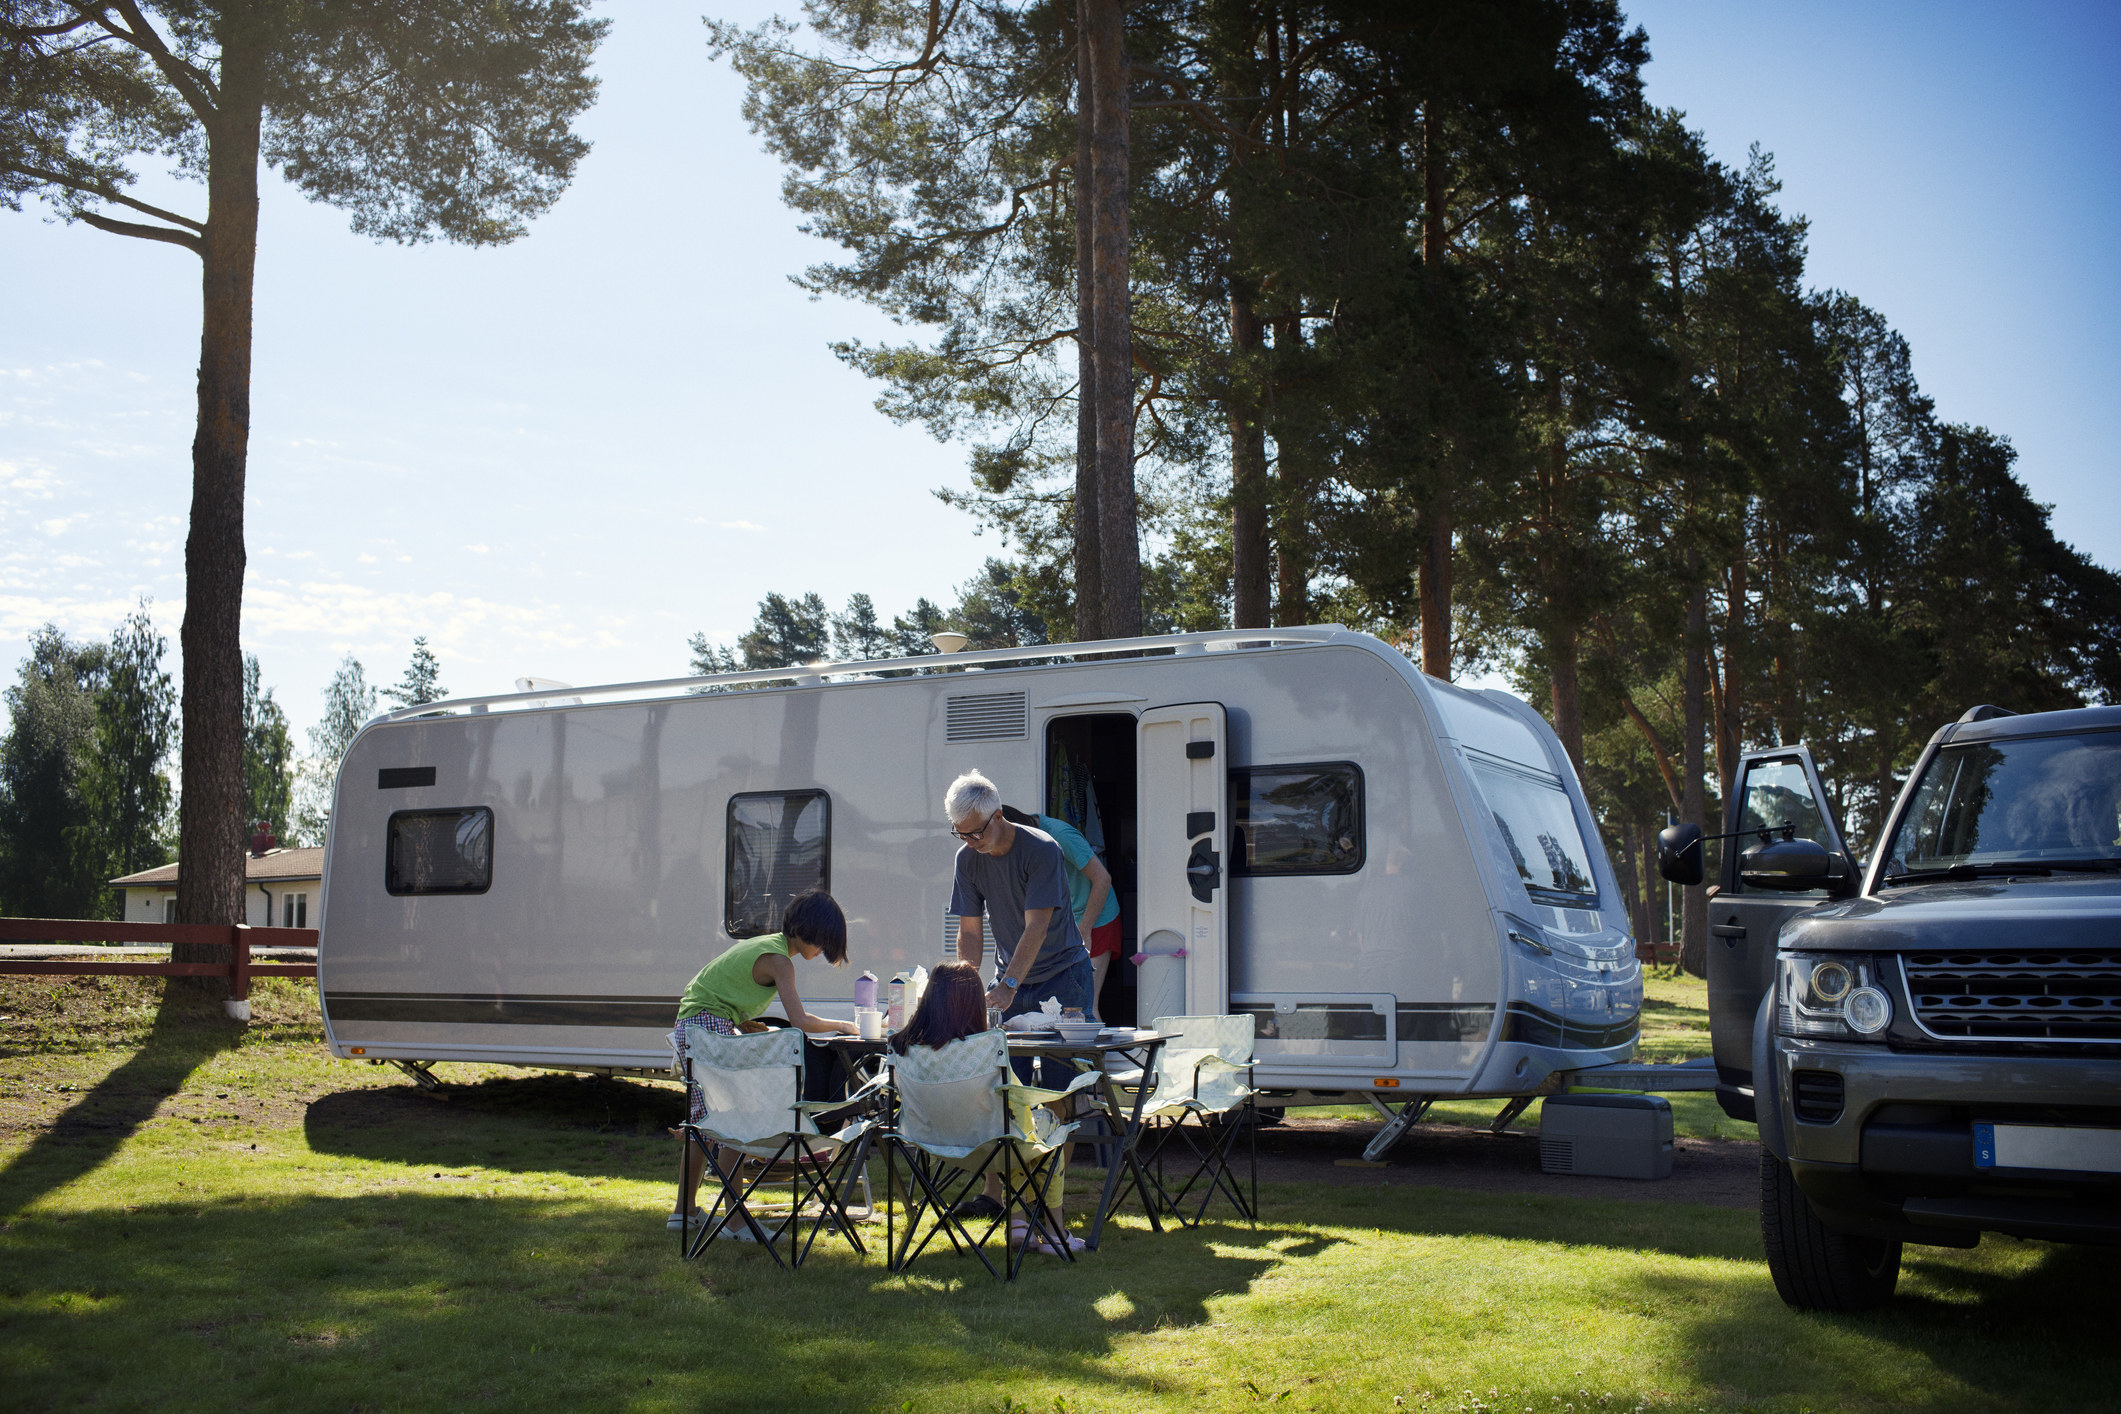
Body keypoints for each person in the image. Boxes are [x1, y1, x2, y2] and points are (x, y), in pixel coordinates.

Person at [669, 890, 857, 1230]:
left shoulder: (766, 945)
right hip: (706, 1025)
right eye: (824, 941)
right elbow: (799, 1021)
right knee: (737, 1119)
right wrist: (844, 1025)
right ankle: (736, 1222)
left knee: (706, 1123)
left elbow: (720, 986)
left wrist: (739, 1020)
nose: (823, 950)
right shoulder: (779, 960)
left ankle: (683, 1212)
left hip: (693, 1024)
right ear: (808, 929)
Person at [892, 960, 1080, 1253]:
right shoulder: (987, 1049)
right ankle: (1055, 1232)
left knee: (1015, 1133)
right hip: (989, 1145)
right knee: (1035, 1127)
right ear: (973, 1005)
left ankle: (1019, 1225)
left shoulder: (904, 1047)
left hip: (932, 1143)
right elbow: (1015, 1101)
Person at [1001, 804, 1117, 1021]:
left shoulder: (1060, 835)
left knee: (1085, 1007)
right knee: (1061, 1009)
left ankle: (1098, 1056)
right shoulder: (1021, 843)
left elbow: (1103, 879)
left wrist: (1085, 929)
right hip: (1068, 921)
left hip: (1095, 918)